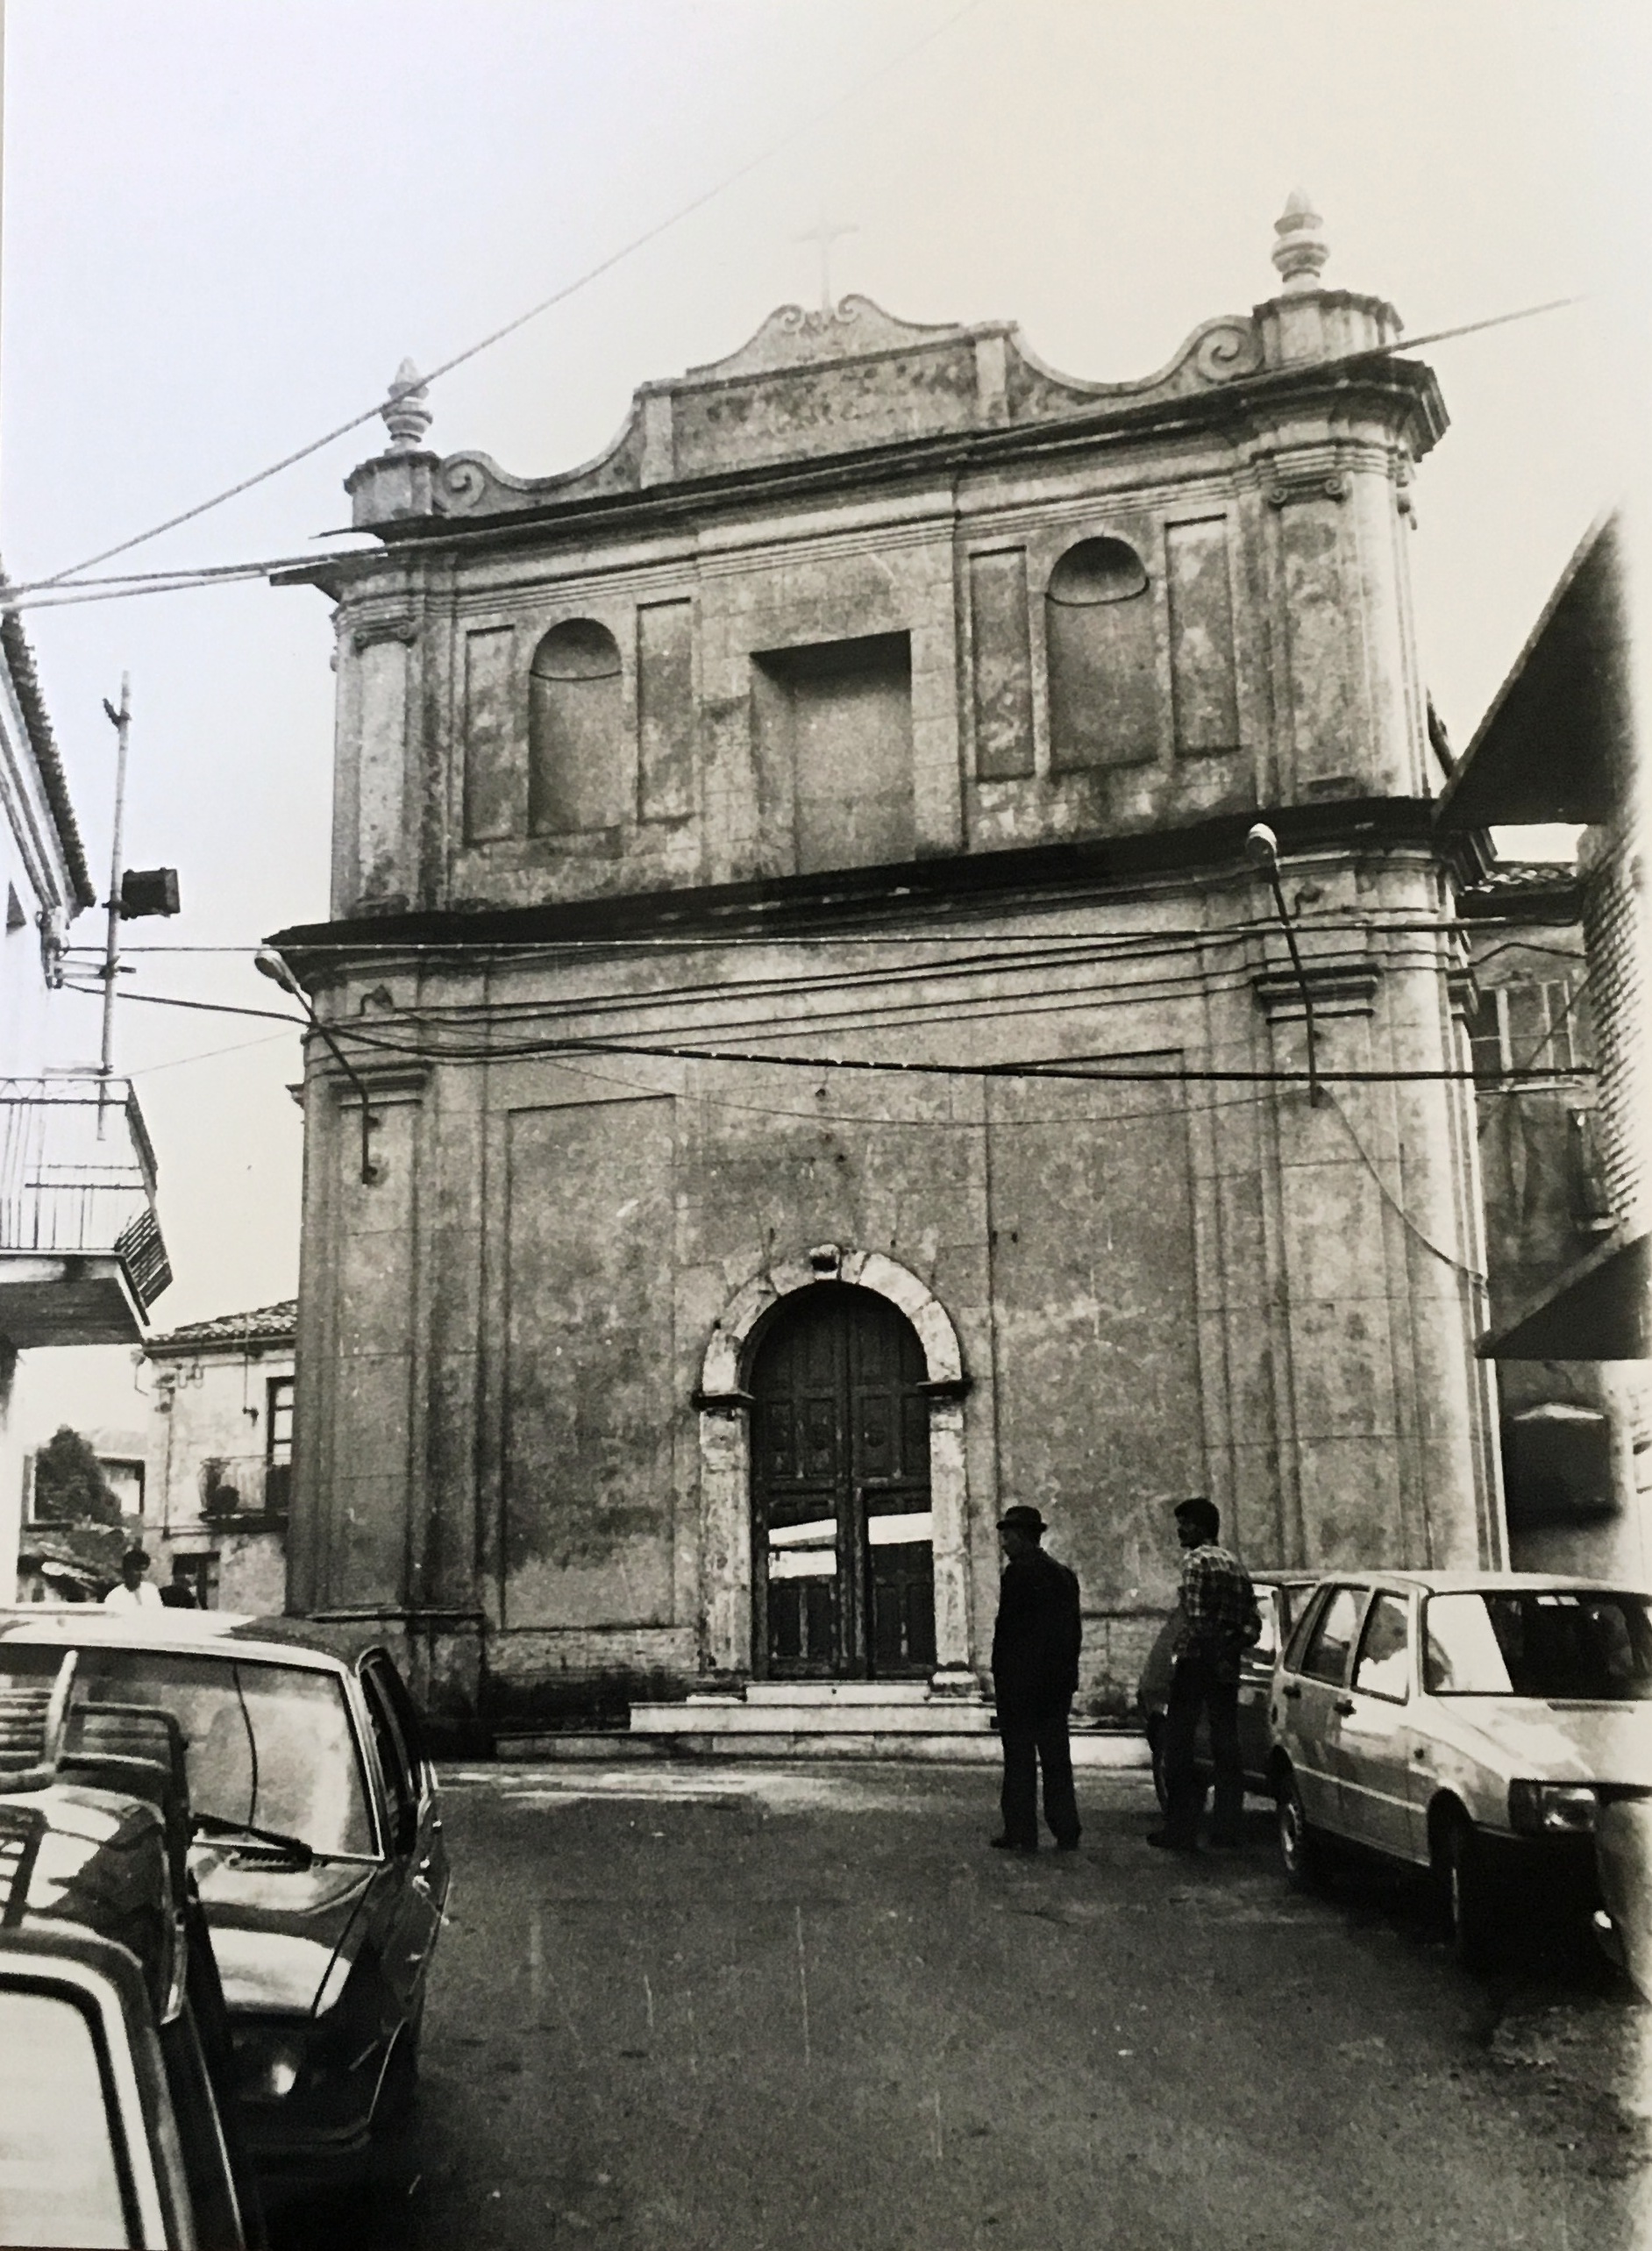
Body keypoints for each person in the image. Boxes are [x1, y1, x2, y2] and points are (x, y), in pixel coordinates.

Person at [1149, 1497, 1260, 1854]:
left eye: (1185, 1523)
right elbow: (1252, 1626)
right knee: (1227, 1745)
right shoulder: (1235, 1564)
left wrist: (1189, 1652)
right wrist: (1230, 1649)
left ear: (1199, 1527)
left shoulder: (1195, 1562)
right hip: (1225, 1665)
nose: (1180, 1530)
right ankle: (1228, 1828)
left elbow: (1196, 1619)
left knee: (1178, 1745)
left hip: (1196, 1663)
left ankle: (1181, 1829)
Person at [989, 1504, 1082, 1854]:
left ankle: (1021, 1830)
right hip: (1055, 1683)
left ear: (1024, 1537)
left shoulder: (1017, 1575)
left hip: (1022, 1684)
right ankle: (1066, 1828)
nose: (1004, 1543)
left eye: (1008, 1535)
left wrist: (1004, 1677)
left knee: (1020, 1758)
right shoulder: (1064, 1575)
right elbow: (1073, 1633)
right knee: (1057, 1757)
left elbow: (1010, 1634)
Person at [103, 1548, 163, 1613]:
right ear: (126, 1571)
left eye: (144, 1569)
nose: (141, 1574)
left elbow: (159, 1615)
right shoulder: (114, 1596)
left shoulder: (152, 1590)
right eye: (137, 1570)